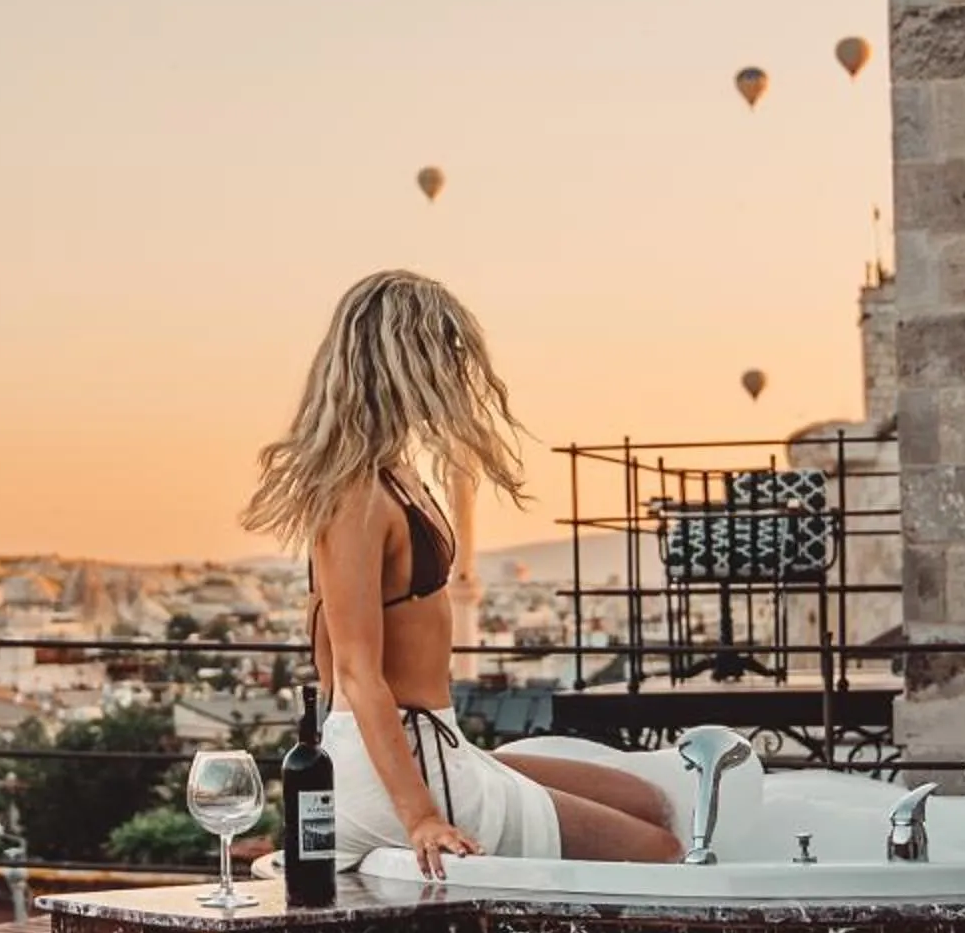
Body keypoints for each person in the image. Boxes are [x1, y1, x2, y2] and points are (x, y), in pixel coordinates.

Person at [241, 270, 683, 877]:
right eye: (444, 352)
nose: (457, 371)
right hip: (402, 765)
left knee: (655, 803)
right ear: (404, 360)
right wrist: (420, 816)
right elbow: (352, 671)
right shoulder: (355, 494)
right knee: (664, 854)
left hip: (437, 743)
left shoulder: (394, 473)